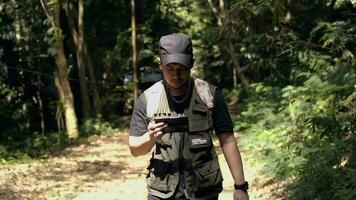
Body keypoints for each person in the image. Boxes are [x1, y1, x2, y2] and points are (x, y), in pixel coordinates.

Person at [129, 33, 249, 200]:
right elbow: (135, 149)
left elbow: (227, 140)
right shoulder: (148, 99)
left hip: (205, 191)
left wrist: (240, 186)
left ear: (192, 62)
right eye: (170, 68)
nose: (176, 74)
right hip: (162, 193)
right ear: (160, 64)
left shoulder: (209, 95)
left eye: (182, 68)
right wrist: (150, 137)